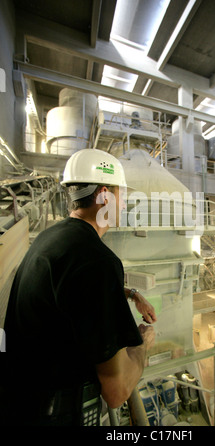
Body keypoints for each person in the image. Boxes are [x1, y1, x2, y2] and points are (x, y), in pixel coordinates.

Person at [0, 149, 156, 426]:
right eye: (122, 196)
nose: (124, 204)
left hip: (20, 398)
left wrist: (131, 294)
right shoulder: (99, 261)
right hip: (56, 411)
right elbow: (116, 392)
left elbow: (70, 288)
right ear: (105, 195)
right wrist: (143, 347)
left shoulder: (51, 238)